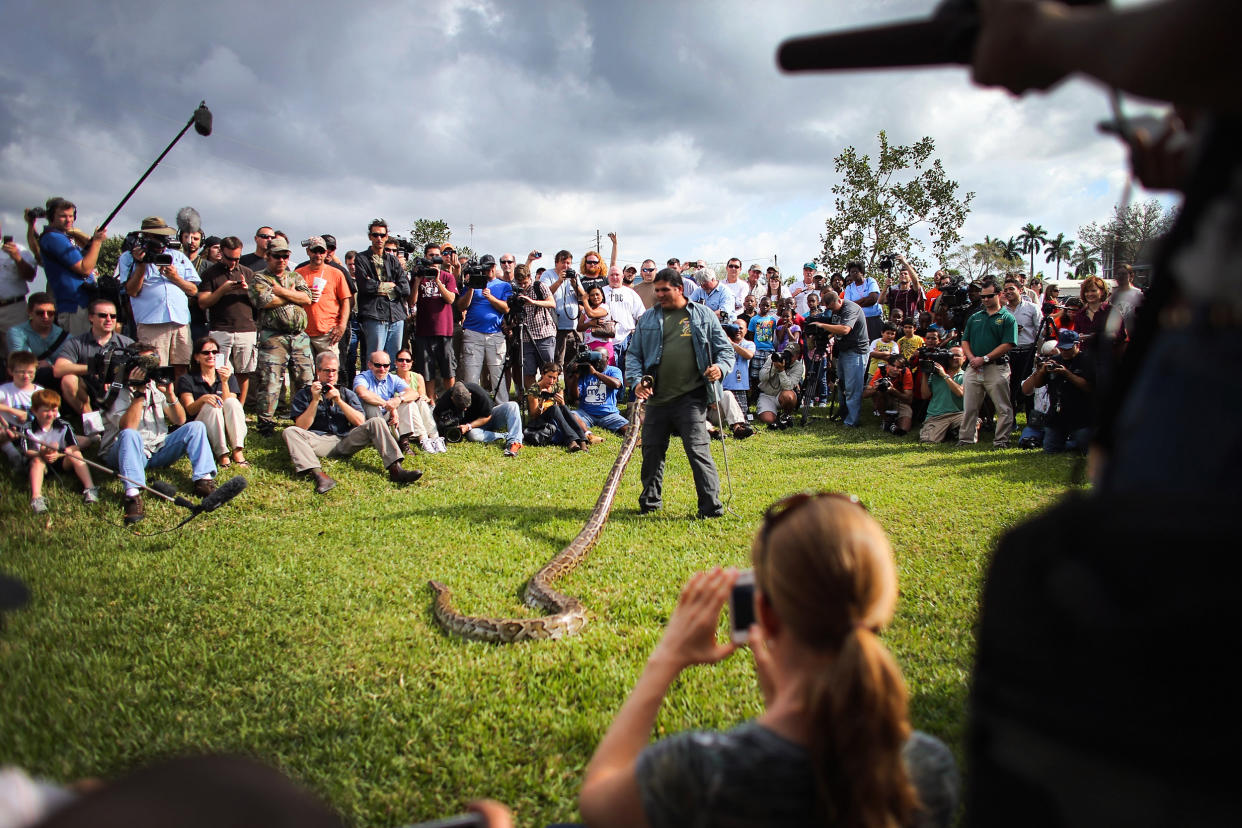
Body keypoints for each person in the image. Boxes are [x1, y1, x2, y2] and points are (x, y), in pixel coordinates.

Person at [578, 492, 960, 828]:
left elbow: (597, 804)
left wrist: (665, 658)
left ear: (763, 611)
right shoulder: (930, 768)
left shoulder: (701, 769)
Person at [624, 268, 734, 518]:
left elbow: (725, 351)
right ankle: (650, 503)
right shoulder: (648, 318)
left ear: (680, 289)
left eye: (665, 290)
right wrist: (637, 381)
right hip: (657, 399)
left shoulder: (703, 315)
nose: (660, 294)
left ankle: (711, 508)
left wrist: (720, 367)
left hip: (691, 397)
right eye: (657, 290)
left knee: (698, 451)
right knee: (651, 451)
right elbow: (634, 355)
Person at [100, 343, 217, 525]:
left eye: (153, 362)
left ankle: (204, 481)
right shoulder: (118, 391)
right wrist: (138, 394)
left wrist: (171, 396)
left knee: (196, 427)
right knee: (131, 435)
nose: (150, 368)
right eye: (145, 363)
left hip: (157, 449)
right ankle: (132, 495)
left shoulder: (155, 387)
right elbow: (127, 427)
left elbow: (179, 420)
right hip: (126, 453)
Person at [282, 352, 423, 494]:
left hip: (345, 439)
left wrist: (339, 401)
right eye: (327, 370)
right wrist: (314, 400)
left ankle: (396, 469)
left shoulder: (346, 393)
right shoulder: (304, 394)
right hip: (319, 441)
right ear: (318, 371)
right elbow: (301, 426)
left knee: (376, 422)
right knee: (290, 431)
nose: (331, 375)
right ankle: (319, 475)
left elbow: (360, 421)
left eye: (334, 371)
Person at [117, 216, 200, 376]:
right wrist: (141, 264)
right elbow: (131, 291)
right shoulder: (128, 257)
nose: (160, 241)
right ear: (146, 237)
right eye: (156, 237)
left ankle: (177, 399)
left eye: (162, 236)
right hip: (151, 321)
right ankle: (152, 399)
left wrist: (174, 277)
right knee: (153, 366)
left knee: (181, 366)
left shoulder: (177, 256)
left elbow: (193, 290)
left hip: (180, 320)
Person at [250, 237, 315, 436]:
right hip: (273, 336)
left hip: (299, 336)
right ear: (268, 257)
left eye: (285, 256)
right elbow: (263, 301)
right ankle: (266, 423)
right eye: (277, 256)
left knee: (306, 380)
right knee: (270, 381)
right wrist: (290, 295)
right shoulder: (260, 277)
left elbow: (307, 298)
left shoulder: (295, 277)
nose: (282, 260)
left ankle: (303, 420)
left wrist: (280, 291)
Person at [197, 236, 258, 405]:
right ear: (221, 253)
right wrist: (222, 290)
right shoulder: (210, 273)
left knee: (243, 371)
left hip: (246, 329)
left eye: (236, 259)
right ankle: (219, 405)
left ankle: (240, 407)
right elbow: (203, 302)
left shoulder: (247, 272)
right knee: (218, 370)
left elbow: (259, 304)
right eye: (229, 258)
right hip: (220, 330)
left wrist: (248, 291)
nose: (233, 263)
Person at [957, 279, 1017, 447]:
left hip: (996, 367)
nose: (985, 300)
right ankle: (966, 439)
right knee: (969, 407)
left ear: (999, 295)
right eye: (983, 297)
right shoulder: (975, 317)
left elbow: (1008, 344)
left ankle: (1001, 440)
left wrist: (985, 358)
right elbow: (965, 340)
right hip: (974, 367)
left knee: (1003, 407)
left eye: (989, 296)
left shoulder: (1007, 318)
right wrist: (971, 358)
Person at [52, 298, 135, 417]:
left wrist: (114, 375)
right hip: (88, 389)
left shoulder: (127, 343)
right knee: (68, 380)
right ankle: (91, 422)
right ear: (91, 317)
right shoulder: (76, 342)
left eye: (113, 316)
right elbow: (58, 369)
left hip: (119, 389)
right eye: (103, 315)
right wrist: (94, 367)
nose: (109, 319)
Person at [36, 198, 107, 335]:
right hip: (74, 305)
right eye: (63, 216)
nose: (69, 220)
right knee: (80, 350)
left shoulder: (62, 237)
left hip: (81, 303)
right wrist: (97, 242)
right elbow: (84, 269)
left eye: (71, 216)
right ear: (51, 217)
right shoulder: (53, 238)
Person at [20, 388, 97, 513]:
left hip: (61, 459)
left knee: (76, 454)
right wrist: (42, 453)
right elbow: (27, 451)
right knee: (37, 461)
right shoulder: (28, 428)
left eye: (54, 410)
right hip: (40, 462)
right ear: (34, 411)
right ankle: (36, 497)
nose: (50, 414)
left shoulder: (63, 425)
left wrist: (59, 454)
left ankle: (90, 487)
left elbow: (74, 446)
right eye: (46, 411)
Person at [176, 336, 248, 469]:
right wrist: (203, 399)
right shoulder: (187, 380)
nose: (211, 355)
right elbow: (190, 410)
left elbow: (229, 404)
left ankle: (237, 451)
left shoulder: (228, 377)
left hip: (225, 425)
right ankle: (222, 454)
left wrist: (224, 381)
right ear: (197, 357)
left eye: (215, 352)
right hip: (202, 425)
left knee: (232, 402)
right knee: (212, 405)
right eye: (206, 353)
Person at [1021, 329, 1094, 454]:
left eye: (1068, 348)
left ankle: (1073, 444)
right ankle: (1069, 445)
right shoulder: (1055, 360)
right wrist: (1042, 371)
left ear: (1077, 345)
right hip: (1057, 414)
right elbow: (1038, 384)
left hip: (1082, 414)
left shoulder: (1087, 361)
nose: (1064, 352)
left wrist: (1066, 373)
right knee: (1050, 450)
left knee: (1085, 449)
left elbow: (1089, 387)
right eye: (1062, 348)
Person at [455, 254, 513, 401]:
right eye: (485, 267)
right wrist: (471, 288)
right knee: (471, 374)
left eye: (491, 267)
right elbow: (461, 306)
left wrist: (490, 298)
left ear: (495, 267)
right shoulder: (472, 284)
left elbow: (506, 309)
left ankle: (502, 406)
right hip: (473, 333)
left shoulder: (503, 285)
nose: (489, 270)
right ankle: (471, 408)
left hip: (495, 334)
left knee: (497, 373)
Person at [353, 219, 411, 360]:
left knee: (393, 360)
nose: (379, 238)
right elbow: (365, 286)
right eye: (375, 235)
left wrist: (378, 286)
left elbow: (405, 289)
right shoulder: (361, 258)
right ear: (370, 236)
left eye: (382, 235)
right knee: (375, 358)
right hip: (374, 315)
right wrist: (390, 285)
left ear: (386, 236)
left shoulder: (393, 260)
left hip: (396, 315)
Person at [409, 242, 458, 396]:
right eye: (431, 256)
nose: (434, 259)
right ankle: (429, 401)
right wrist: (417, 280)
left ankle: (451, 402)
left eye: (437, 255)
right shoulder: (418, 277)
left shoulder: (447, 276)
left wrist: (437, 280)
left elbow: (450, 299)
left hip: (444, 331)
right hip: (424, 331)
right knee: (426, 370)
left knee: (448, 370)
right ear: (425, 257)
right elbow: (412, 301)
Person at [353, 349, 424, 455]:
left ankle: (404, 441)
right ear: (370, 365)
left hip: (386, 416)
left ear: (389, 366)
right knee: (371, 404)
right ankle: (383, 440)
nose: (382, 369)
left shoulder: (393, 378)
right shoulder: (362, 377)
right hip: (367, 420)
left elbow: (413, 393)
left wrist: (398, 400)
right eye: (378, 365)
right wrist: (390, 406)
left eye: (385, 366)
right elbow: (363, 393)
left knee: (408, 403)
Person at [817, 289, 870, 427]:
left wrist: (823, 326)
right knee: (842, 385)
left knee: (853, 388)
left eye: (832, 307)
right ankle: (844, 415)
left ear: (839, 300)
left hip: (856, 352)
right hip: (843, 351)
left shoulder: (851, 308)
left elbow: (845, 329)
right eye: (828, 308)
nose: (831, 311)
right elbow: (834, 330)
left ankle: (852, 421)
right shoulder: (835, 310)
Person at [432, 381, 524, 457]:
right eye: (462, 407)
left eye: (467, 406)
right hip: (473, 430)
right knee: (473, 435)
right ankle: (507, 435)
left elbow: (487, 416)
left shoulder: (478, 392)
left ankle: (513, 443)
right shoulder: (445, 400)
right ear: (452, 398)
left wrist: (468, 426)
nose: (465, 409)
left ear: (470, 394)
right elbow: (436, 416)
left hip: (487, 418)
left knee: (512, 406)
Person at [296, 236, 352, 358]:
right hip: (302, 334)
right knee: (305, 375)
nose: (318, 254)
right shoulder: (298, 274)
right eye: (314, 251)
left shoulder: (337, 273)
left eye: (321, 251)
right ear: (308, 251)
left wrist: (342, 326)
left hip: (327, 334)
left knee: (329, 372)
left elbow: (346, 301)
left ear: (326, 252)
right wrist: (304, 294)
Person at [525, 362, 593, 452]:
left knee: (564, 408)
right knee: (554, 408)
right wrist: (541, 403)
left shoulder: (556, 386)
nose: (552, 381)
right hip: (540, 421)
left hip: (555, 418)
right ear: (542, 374)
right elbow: (534, 416)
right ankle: (572, 440)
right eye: (549, 377)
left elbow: (563, 410)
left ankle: (582, 440)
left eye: (555, 378)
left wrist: (562, 402)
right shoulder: (534, 389)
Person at [509, 263, 557, 390]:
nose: (523, 286)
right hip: (525, 337)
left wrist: (533, 302)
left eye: (524, 283)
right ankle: (534, 399)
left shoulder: (539, 286)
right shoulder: (514, 290)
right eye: (520, 284)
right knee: (528, 372)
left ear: (529, 277)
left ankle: (548, 400)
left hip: (544, 335)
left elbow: (552, 303)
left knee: (548, 372)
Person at [6, 293, 67, 388]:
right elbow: (22, 361)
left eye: (50, 313)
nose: (46, 316)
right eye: (40, 313)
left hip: (58, 378)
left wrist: (50, 365)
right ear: (29, 312)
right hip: (29, 377)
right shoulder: (16, 332)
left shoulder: (65, 336)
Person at [392, 347, 446, 453]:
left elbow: (422, 395)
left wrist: (424, 397)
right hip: (400, 413)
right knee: (410, 402)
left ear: (412, 363)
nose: (404, 363)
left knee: (421, 401)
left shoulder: (417, 377)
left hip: (417, 413)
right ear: (395, 362)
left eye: (407, 360)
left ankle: (434, 437)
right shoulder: (391, 377)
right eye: (401, 360)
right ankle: (424, 438)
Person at [0, 223, 39, 362]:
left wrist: (16, 257)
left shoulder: (19, 249)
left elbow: (30, 276)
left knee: (19, 355)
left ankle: (20, 384)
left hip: (13, 308)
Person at [569, 346, 628, 437]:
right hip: (586, 413)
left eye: (599, 357)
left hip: (609, 414)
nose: (596, 361)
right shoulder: (585, 372)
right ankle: (589, 435)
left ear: (607, 359)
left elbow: (616, 384)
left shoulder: (613, 370)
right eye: (594, 358)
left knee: (628, 428)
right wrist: (576, 377)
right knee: (571, 416)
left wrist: (596, 373)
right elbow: (575, 397)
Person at [1, 351, 42, 468]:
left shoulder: (39, 392)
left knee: (82, 441)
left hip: (35, 433)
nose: (26, 376)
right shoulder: (5, 390)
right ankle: (13, 454)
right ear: (10, 371)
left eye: (30, 372)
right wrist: (13, 411)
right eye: (21, 372)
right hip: (12, 431)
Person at [919, 347, 967, 443]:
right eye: (951, 355)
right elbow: (925, 395)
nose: (954, 358)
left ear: (964, 358)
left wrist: (944, 375)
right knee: (928, 440)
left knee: (971, 423)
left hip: (959, 414)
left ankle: (951, 431)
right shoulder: (934, 375)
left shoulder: (966, 375)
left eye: (957, 355)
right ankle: (949, 432)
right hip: (937, 415)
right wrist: (925, 374)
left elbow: (960, 393)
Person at [864, 354, 915, 435]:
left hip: (899, 399)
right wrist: (875, 388)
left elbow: (909, 399)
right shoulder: (881, 371)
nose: (895, 369)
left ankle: (893, 422)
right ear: (888, 365)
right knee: (878, 393)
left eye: (898, 367)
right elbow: (865, 394)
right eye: (893, 366)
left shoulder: (906, 373)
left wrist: (893, 390)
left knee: (905, 429)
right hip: (885, 397)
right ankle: (886, 420)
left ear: (903, 368)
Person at [756, 345, 805, 430]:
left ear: (797, 356)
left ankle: (785, 415)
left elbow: (788, 386)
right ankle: (775, 415)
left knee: (789, 396)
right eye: (786, 353)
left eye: (791, 355)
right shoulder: (773, 357)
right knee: (768, 419)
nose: (787, 357)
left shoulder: (798, 366)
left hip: (782, 394)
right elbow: (761, 377)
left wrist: (782, 370)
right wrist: (774, 368)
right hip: (767, 394)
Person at [844, 260, 883, 341]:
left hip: (874, 320)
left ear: (861, 272)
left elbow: (873, 299)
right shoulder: (849, 288)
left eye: (856, 272)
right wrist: (865, 300)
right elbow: (848, 306)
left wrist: (856, 304)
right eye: (851, 272)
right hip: (859, 321)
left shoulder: (870, 281)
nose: (853, 274)